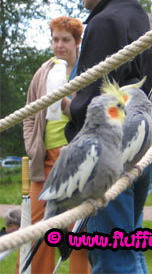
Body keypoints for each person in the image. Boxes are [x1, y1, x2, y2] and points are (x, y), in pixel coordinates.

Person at [64, 0, 152, 274]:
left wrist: (71, 106)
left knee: (112, 258)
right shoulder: (146, 20)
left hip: (108, 157)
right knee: (129, 250)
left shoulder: (105, 21)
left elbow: (95, 101)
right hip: (143, 150)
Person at [22, 16, 90, 274]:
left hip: (77, 160)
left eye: (66, 40)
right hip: (45, 160)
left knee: (78, 230)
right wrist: (32, 147)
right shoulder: (43, 72)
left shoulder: (87, 72)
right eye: (55, 39)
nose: (59, 45)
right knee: (37, 227)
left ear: (77, 42)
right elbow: (29, 114)